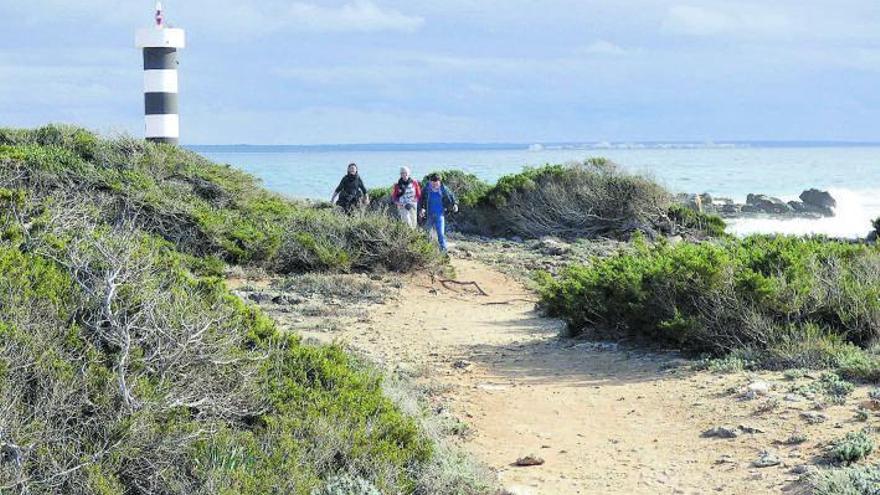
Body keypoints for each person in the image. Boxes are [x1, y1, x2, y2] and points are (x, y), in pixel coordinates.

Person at [418, 173, 458, 253]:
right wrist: (421, 209)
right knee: (426, 235)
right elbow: (420, 200)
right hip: (428, 215)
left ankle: (443, 254)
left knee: (441, 235)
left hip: (440, 215)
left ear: (439, 182)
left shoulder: (444, 189)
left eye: (436, 184)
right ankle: (425, 253)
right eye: (433, 183)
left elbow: (452, 196)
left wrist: (455, 204)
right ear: (430, 182)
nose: (435, 185)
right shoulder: (426, 189)